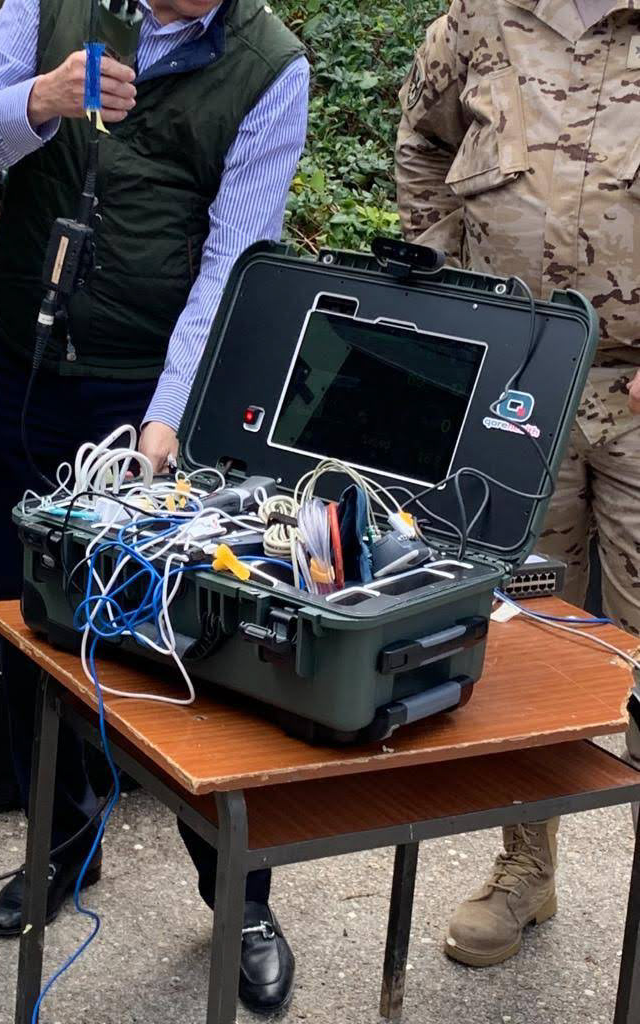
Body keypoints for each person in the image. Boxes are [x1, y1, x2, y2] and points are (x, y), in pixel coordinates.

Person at [0, 0, 308, 1012]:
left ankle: (239, 895)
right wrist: (38, 101)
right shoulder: (46, 6)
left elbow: (234, 262)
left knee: (192, 652)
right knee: (33, 628)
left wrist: (168, 420)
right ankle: (64, 843)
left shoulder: (268, 66)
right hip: (26, 372)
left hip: (151, 394)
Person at [396, 0, 640, 970]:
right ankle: (526, 867)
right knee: (528, 639)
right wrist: (447, 298)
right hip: (520, 384)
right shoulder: (477, 21)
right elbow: (422, 142)